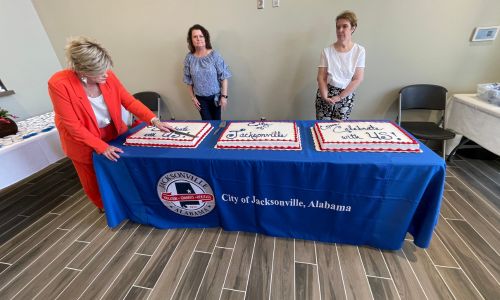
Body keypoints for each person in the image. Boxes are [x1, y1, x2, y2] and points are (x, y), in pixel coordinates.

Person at [48, 36, 172, 210]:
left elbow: (129, 101)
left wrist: (153, 119)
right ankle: (106, 208)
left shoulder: (108, 75)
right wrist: (102, 147)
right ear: (83, 72)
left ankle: (127, 202)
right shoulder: (59, 84)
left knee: (120, 170)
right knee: (93, 179)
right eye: (100, 72)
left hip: (113, 131)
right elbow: (72, 125)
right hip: (82, 140)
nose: (106, 74)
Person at [316, 10, 365, 120]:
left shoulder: (359, 51)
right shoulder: (327, 51)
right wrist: (324, 96)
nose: (340, 30)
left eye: (344, 26)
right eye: (338, 27)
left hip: (345, 94)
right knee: (321, 129)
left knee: (340, 132)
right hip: (326, 93)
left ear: (353, 28)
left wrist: (340, 96)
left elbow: (358, 78)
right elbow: (321, 77)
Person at [183, 24, 232, 120]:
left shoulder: (214, 55)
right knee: (207, 123)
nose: (198, 39)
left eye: (201, 36)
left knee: (217, 123)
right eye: (195, 36)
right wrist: (193, 97)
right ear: (191, 40)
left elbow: (224, 77)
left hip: (215, 97)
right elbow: (188, 80)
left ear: (205, 38)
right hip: (200, 99)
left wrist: (224, 96)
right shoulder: (189, 58)